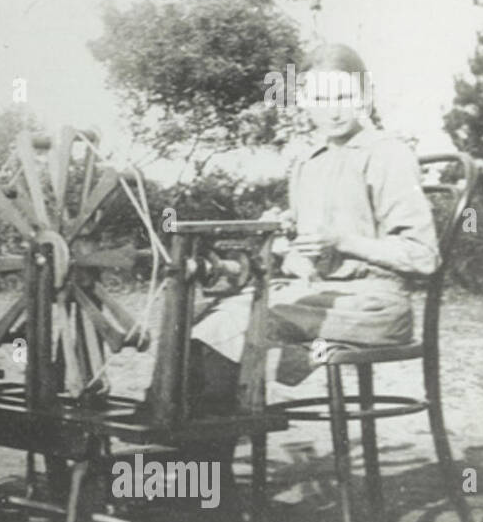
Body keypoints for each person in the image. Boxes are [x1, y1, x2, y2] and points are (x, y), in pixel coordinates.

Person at [186, 43, 441, 412]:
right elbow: (306, 260)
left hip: (375, 305)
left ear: (365, 96)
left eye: (344, 96)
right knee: (198, 319)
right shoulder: (308, 162)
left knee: (230, 328)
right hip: (319, 295)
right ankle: (182, 451)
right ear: (304, 100)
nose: (334, 110)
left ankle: (211, 464)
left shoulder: (388, 155)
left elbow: (423, 256)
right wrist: (277, 240)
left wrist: (343, 241)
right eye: (321, 98)